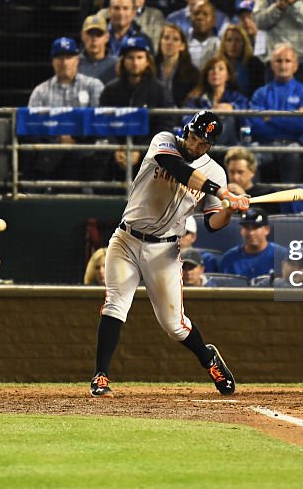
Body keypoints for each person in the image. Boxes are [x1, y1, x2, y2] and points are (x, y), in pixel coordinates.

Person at [89, 110, 244, 398]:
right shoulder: (166, 141)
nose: (195, 145)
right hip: (126, 239)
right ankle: (101, 376)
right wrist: (222, 192)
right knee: (115, 305)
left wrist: (229, 209)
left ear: (211, 145)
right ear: (187, 131)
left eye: (203, 143)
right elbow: (175, 167)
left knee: (174, 326)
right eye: (194, 137)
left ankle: (209, 359)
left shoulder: (215, 172)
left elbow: (213, 224)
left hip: (164, 250)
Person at [26, 37, 104, 184]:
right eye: (59, 58)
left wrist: (75, 138)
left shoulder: (93, 86)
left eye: (69, 57)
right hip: (51, 151)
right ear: (53, 62)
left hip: (86, 148)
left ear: (77, 60)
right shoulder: (40, 91)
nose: (64, 62)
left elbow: (100, 122)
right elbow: (32, 127)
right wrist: (57, 140)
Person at [247, 43, 303, 182]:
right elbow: (254, 125)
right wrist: (293, 117)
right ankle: (252, 202)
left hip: (293, 145)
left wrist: (271, 117)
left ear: (295, 66)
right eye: (279, 61)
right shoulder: (261, 93)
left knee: (293, 156)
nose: (283, 65)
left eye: (287, 61)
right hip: (264, 145)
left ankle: (290, 203)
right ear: (272, 65)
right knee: (247, 158)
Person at [218, 207, 290, 282]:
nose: (251, 233)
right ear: (241, 230)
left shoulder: (282, 256)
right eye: (246, 228)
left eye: (255, 228)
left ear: (267, 230)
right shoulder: (229, 259)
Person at [155, 24, 199, 105]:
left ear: (182, 46)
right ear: (160, 42)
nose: (169, 42)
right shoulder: (149, 68)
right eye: (166, 38)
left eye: (175, 39)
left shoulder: (192, 73)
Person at [78, 14, 119, 86]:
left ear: (107, 37)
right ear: (82, 36)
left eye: (99, 34)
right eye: (90, 34)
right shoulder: (74, 64)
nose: (94, 39)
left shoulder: (117, 65)